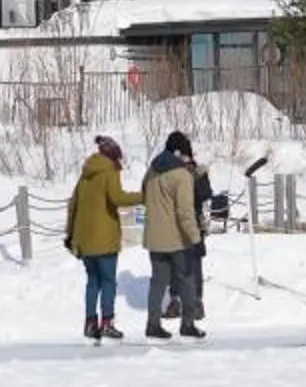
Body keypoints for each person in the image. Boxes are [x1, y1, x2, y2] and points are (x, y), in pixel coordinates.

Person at [61, 136, 132, 342]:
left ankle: (90, 323)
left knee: (92, 282)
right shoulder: (109, 172)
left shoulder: (85, 175)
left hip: (85, 240)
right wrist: (144, 196)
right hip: (105, 239)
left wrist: (70, 234)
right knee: (108, 282)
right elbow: (118, 198)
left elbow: (73, 205)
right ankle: (107, 323)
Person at [140, 132, 204, 339]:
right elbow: (185, 212)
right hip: (177, 239)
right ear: (181, 152)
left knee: (158, 283)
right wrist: (196, 237)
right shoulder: (182, 175)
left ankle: (152, 324)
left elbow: (143, 195)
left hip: (154, 238)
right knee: (187, 280)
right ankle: (187, 324)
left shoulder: (151, 170)